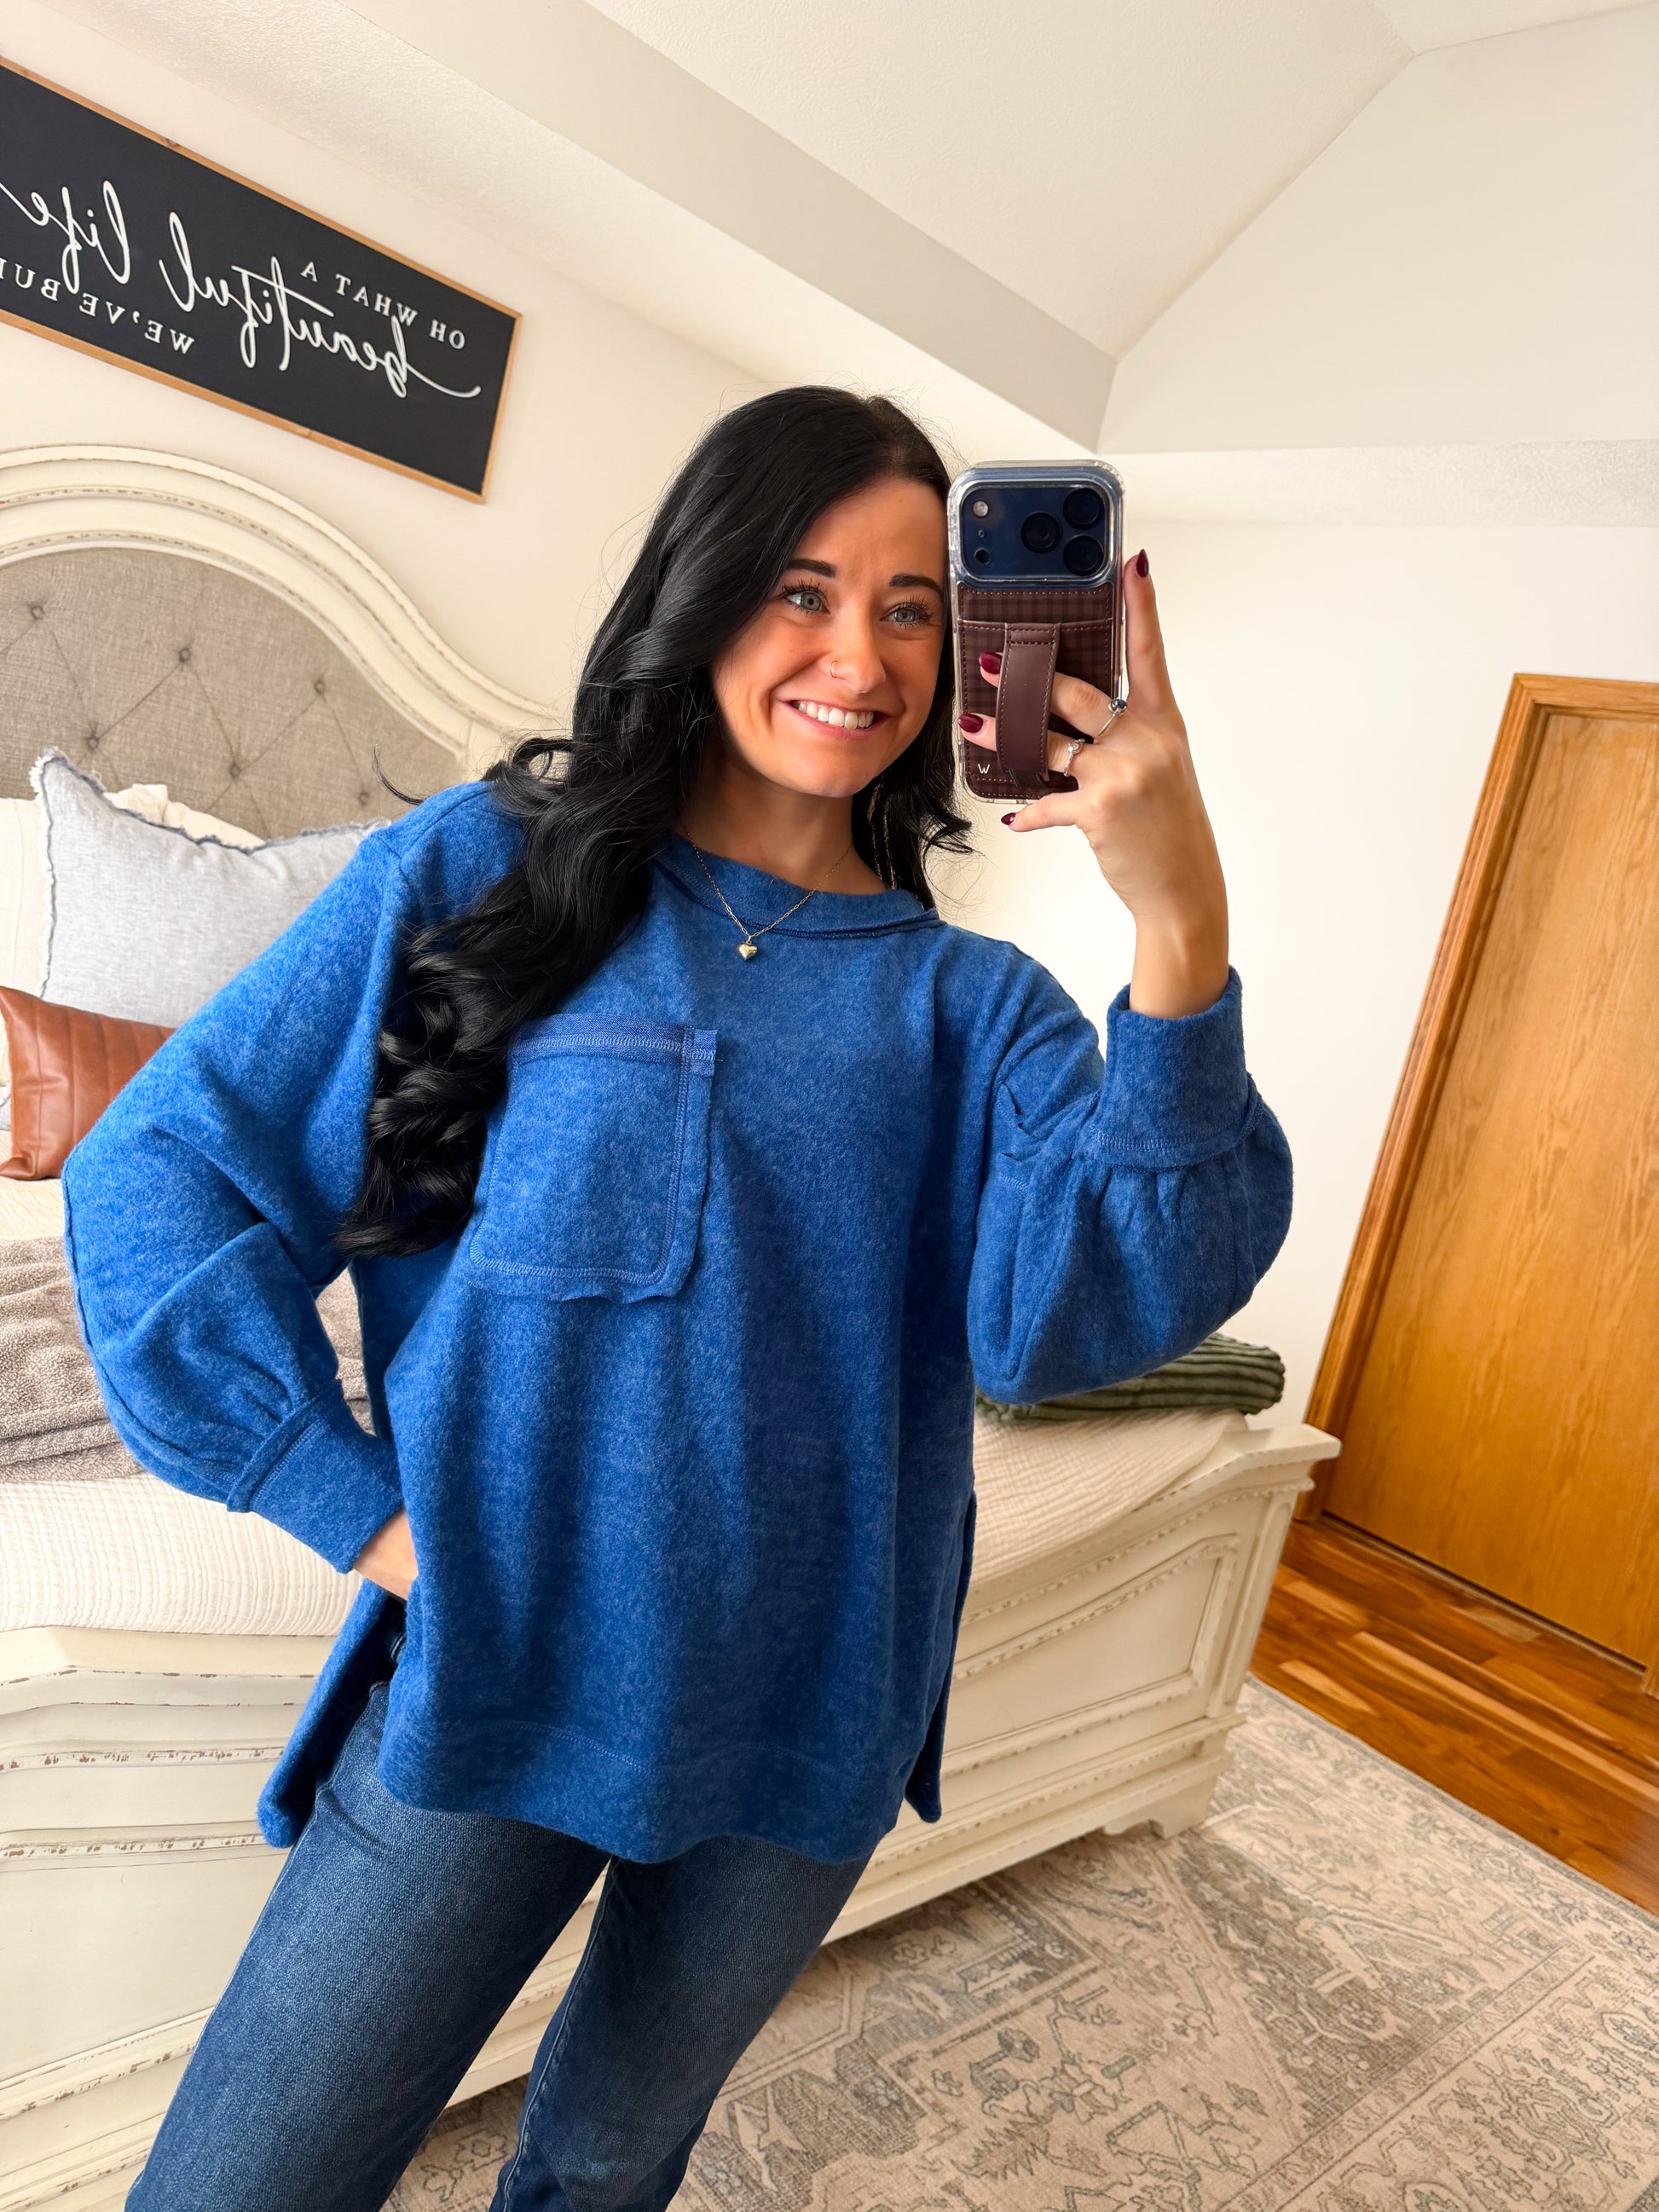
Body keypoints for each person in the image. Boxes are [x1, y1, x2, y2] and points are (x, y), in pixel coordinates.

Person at [62, 386, 1290, 2212]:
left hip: (814, 1706)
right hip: (500, 1674)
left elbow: (1083, 1315)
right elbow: (161, 1172)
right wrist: (355, 1508)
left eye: (909, 609)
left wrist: (1178, 927)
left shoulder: (978, 1012)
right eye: (802, 589)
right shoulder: (484, 873)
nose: (857, 656)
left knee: (607, 2168)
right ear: (700, 596)